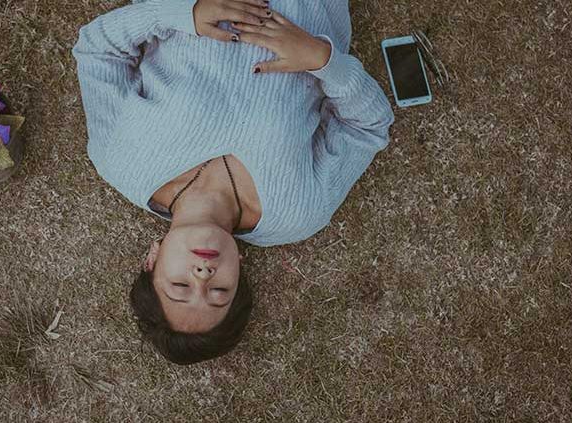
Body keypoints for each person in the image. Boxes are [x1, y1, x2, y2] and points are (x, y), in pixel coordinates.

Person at [73, 0, 394, 364]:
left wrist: (186, 14)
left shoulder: (119, 161)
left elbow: (97, 49)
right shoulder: (300, 214)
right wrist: (322, 59)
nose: (203, 275)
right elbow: (367, 127)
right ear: (239, 272)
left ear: (153, 260)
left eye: (180, 286)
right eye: (219, 291)